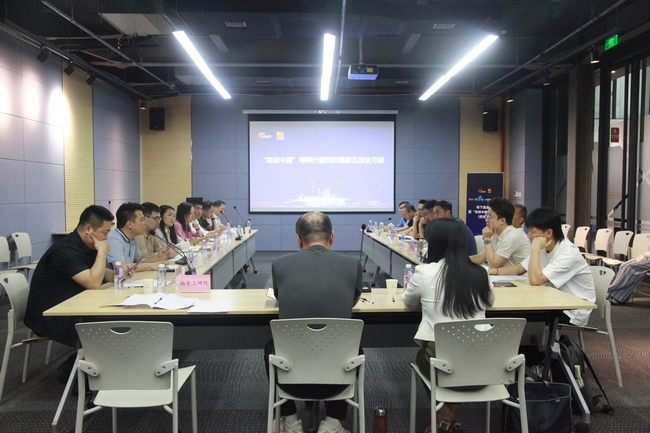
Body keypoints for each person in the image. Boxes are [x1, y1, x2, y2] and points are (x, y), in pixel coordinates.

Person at [267, 212, 362, 433]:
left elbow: (281, 298)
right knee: (352, 347)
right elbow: (353, 300)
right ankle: (332, 423)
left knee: (270, 349)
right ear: (332, 237)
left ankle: (290, 421)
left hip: (291, 378)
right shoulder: (352, 264)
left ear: (298, 239)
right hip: (337, 378)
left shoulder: (279, 264)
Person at [402, 218, 494, 433]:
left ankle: (443, 412)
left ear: (434, 244)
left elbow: (408, 303)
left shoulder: (424, 272)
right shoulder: (480, 272)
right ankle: (448, 413)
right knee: (451, 361)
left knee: (424, 358)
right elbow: (490, 301)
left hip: (443, 365)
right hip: (485, 364)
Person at [24, 205, 114, 382]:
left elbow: (100, 274)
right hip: (50, 315)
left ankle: (89, 369)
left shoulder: (84, 246)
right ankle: (74, 374)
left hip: (71, 306)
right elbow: (93, 283)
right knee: (108, 326)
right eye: (105, 233)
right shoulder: (64, 250)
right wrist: (102, 252)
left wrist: (120, 273)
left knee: (113, 320)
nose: (106, 238)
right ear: (88, 229)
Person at [491, 208, 596, 326]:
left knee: (508, 314)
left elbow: (535, 280)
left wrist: (535, 248)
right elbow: (520, 268)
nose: (529, 236)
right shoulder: (545, 246)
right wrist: (495, 271)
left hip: (572, 310)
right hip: (551, 300)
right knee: (508, 309)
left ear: (549, 233)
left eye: (532, 231)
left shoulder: (568, 253)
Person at [470, 197, 530, 268]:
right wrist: (460, 261)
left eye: (490, 217)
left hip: (521, 275)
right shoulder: (497, 234)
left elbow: (493, 264)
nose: (486, 220)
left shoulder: (512, 236)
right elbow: (480, 258)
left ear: (502, 221)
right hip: (505, 274)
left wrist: (487, 238)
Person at [107, 202, 159, 272]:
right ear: (129, 224)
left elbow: (140, 260)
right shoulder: (114, 239)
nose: (145, 223)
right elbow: (122, 268)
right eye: (142, 220)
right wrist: (150, 266)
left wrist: (159, 257)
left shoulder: (132, 238)